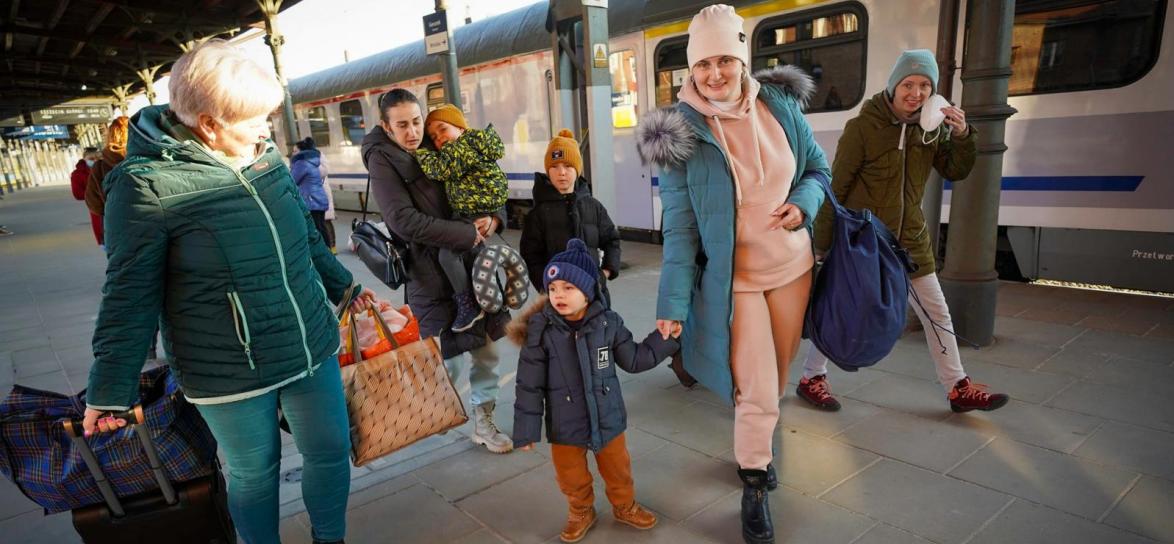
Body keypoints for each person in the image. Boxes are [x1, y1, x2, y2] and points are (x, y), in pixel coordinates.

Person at [80, 40, 374, 544]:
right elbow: (129, 293)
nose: (266, 130)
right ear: (210, 124)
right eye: (254, 119)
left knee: (330, 450)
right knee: (254, 473)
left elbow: (304, 238)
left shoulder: (266, 159)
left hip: (308, 341)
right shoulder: (144, 186)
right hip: (227, 365)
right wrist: (109, 392)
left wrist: (346, 289)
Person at [637, 6, 830, 543]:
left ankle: (760, 440)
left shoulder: (780, 105)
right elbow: (680, 230)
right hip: (735, 281)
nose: (715, 73)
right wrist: (672, 306)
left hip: (792, 269)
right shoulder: (678, 135)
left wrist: (803, 203)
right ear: (690, 68)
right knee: (756, 383)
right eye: (703, 63)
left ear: (743, 59)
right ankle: (754, 478)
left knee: (779, 373)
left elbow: (818, 169)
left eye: (725, 59)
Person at [797, 49, 1010, 414]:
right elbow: (838, 187)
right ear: (894, 86)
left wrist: (961, 135)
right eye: (908, 84)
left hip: (910, 238)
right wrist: (823, 244)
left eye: (925, 85)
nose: (916, 93)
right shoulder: (863, 128)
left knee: (936, 312)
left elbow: (956, 170)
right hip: (865, 240)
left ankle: (958, 387)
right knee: (846, 306)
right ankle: (811, 377)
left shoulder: (931, 130)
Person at [361, 89, 515, 454]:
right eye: (402, 125)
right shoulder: (382, 160)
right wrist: (466, 234)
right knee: (446, 359)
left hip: (474, 265)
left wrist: (494, 219)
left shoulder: (438, 140)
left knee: (487, 353)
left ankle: (484, 421)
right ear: (386, 126)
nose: (413, 131)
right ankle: (435, 409)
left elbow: (487, 181)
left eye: (417, 121)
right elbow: (402, 220)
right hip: (430, 275)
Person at [510, 239, 676, 543]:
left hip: (607, 416)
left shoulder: (608, 324)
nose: (558, 294)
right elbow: (529, 383)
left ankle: (624, 505)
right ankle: (580, 510)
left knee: (618, 469)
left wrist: (666, 339)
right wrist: (526, 429)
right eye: (552, 288)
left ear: (587, 291)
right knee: (571, 474)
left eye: (568, 287)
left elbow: (635, 359)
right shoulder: (541, 332)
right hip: (565, 424)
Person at [413, 104, 510, 332]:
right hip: (473, 210)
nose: (439, 139)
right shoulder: (476, 145)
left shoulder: (461, 148)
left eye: (443, 129)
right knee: (477, 262)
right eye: (433, 137)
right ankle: (490, 302)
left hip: (470, 212)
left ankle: (468, 304)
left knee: (448, 256)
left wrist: (422, 153)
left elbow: (439, 170)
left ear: (461, 128)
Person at [519, 129, 621, 306]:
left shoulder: (593, 206)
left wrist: (606, 272)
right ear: (548, 171)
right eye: (555, 167)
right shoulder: (538, 214)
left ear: (577, 169)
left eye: (567, 166)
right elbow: (530, 255)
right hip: (558, 301)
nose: (561, 172)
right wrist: (547, 286)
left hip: (595, 296)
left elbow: (612, 240)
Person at [84, 117, 130, 248]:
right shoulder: (150, 157)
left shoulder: (100, 167)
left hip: (116, 230)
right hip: (155, 226)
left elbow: (94, 204)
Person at [291, 137, 334, 250]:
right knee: (321, 226)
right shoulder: (312, 162)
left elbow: (292, 180)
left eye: (295, 151)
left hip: (311, 200)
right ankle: (327, 249)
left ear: (302, 151)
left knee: (316, 228)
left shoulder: (301, 163)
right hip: (317, 199)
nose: (293, 154)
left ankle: (323, 250)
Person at [70, 147, 98, 237]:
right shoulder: (78, 174)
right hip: (95, 207)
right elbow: (77, 194)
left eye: (97, 158)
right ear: (84, 159)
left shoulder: (105, 168)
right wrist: (95, 194)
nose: (95, 161)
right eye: (91, 159)